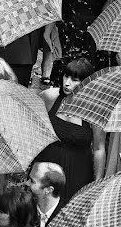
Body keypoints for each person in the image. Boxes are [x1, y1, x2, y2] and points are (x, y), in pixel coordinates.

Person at [37, 58, 106, 198]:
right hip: (47, 166)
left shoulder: (95, 111)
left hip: (77, 172)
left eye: (75, 80)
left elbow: (99, 149)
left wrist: (97, 183)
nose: (67, 83)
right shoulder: (50, 97)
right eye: (66, 76)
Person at [50, 0, 112, 83]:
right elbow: (55, 5)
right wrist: (51, 32)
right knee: (66, 73)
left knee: (91, 76)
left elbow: (107, 13)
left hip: (94, 34)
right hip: (68, 34)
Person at [0, 162, 66, 227]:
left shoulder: (64, 219)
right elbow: (6, 215)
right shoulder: (28, 200)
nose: (26, 183)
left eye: (32, 181)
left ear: (48, 190)